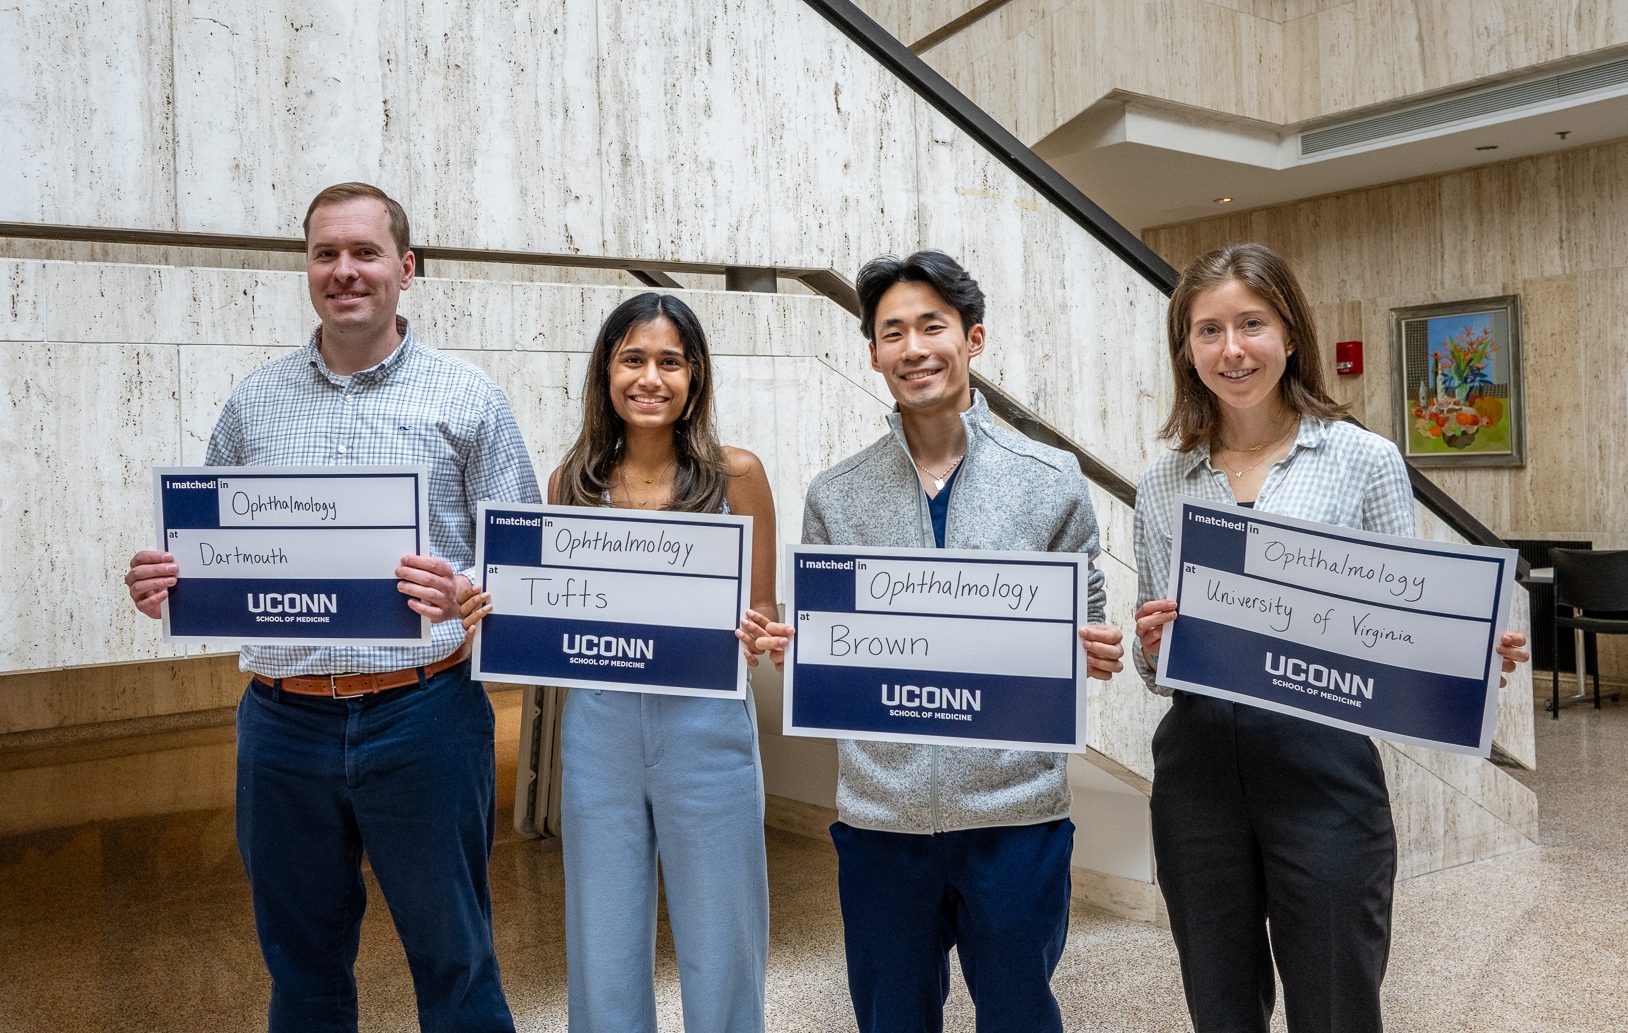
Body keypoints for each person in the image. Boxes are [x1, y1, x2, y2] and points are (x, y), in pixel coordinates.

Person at [124, 182, 537, 1033]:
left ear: (406, 268)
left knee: (457, 961)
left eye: (365, 252)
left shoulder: (468, 399)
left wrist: (464, 593)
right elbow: (223, 553)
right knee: (301, 968)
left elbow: (518, 575)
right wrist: (171, 581)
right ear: (308, 267)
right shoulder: (253, 403)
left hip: (424, 717)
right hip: (282, 729)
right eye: (326, 254)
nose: (344, 270)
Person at [1129, 241, 1530, 1033]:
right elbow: (1160, 669)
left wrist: (1464, 652)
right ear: (1186, 348)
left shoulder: (1362, 460)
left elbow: (1400, 619)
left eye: (1252, 323)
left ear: (1290, 334)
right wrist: (1150, 645)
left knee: (1338, 1003)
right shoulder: (1161, 481)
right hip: (1198, 771)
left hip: (1323, 770)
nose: (1231, 348)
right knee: (1219, 1003)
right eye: (1208, 330)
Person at [745, 251, 1125, 1033]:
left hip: (1016, 815)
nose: (914, 347)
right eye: (893, 333)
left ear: (972, 337)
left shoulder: (1050, 479)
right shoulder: (836, 493)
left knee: (1020, 1016)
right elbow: (830, 641)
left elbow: (1086, 618)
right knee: (892, 1019)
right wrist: (805, 646)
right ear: (874, 354)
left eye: (932, 326)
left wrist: (1097, 647)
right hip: (881, 821)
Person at [460, 292, 778, 1033]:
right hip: (599, 729)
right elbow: (550, 613)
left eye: (670, 361)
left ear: (695, 374)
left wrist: (762, 635)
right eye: (633, 358)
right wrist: (495, 609)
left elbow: (762, 613)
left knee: (724, 941)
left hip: (710, 732)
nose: (651, 377)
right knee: (602, 944)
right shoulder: (572, 481)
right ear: (606, 372)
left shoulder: (739, 476)